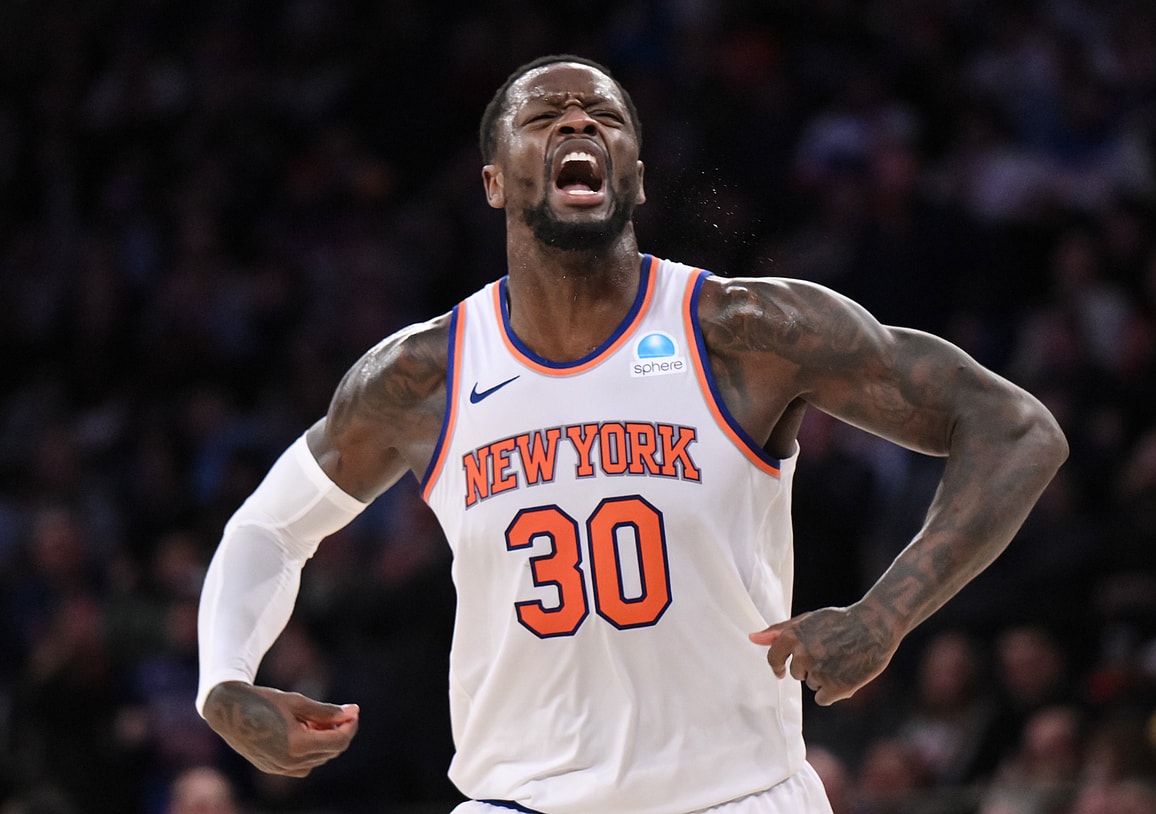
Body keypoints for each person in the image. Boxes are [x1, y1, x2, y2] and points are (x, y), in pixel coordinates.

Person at [195, 54, 1068, 814]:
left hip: (735, 796)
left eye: (604, 115)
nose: (578, 121)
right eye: (543, 115)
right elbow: (269, 528)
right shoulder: (423, 376)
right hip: (522, 800)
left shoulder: (744, 331)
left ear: (637, 178)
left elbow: (1015, 428)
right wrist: (223, 681)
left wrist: (885, 616)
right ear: (494, 180)